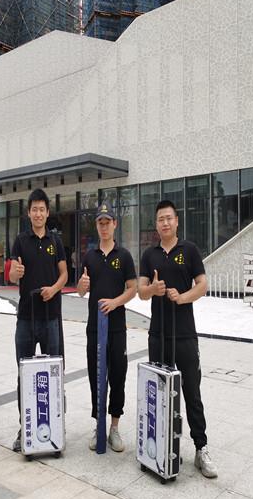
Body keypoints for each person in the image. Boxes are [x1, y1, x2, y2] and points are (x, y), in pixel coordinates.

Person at [138, 200, 218, 478]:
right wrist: (154, 289)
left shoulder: (189, 250)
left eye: (169, 218)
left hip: (185, 335)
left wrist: (181, 297)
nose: (165, 223)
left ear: (177, 221)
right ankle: (160, 447)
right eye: (160, 219)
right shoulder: (149, 255)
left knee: (192, 393)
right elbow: (141, 292)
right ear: (156, 224)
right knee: (158, 393)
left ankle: (201, 448)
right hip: (158, 335)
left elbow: (203, 285)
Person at [9, 188, 68, 452]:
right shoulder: (20, 241)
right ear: (29, 213)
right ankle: (25, 427)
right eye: (34, 209)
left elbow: (64, 275)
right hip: (26, 318)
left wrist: (54, 289)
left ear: (47, 212)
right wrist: (17, 273)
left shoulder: (56, 241)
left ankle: (56, 425)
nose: (38, 214)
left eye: (42, 209)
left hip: (51, 317)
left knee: (54, 373)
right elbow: (11, 276)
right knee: (24, 373)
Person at [77, 202, 137, 452]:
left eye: (107, 222)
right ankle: (98, 425)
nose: (104, 227)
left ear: (115, 224)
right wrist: (82, 286)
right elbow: (81, 291)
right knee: (96, 376)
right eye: (100, 223)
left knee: (117, 375)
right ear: (97, 226)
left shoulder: (124, 256)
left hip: (116, 328)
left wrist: (115, 303)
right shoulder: (89, 256)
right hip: (94, 328)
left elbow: (133, 288)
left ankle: (114, 427)